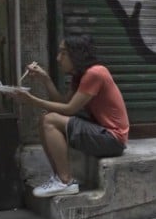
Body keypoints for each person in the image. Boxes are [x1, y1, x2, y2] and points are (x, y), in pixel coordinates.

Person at [13, 34, 129, 198]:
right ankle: (58, 177)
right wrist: (45, 79)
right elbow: (62, 103)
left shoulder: (95, 73)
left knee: (50, 120)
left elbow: (69, 109)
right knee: (47, 118)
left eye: (63, 53)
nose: (58, 58)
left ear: (77, 54)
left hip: (113, 139)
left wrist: (31, 100)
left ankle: (65, 181)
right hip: (101, 133)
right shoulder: (80, 76)